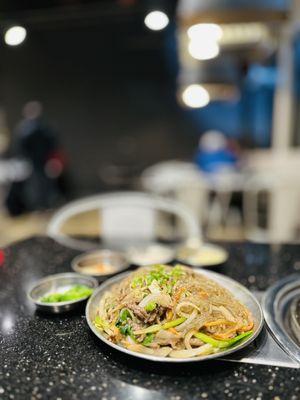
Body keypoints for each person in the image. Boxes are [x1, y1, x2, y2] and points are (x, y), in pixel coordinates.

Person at [6, 101, 66, 215]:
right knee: (30, 187)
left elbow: (53, 144)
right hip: (29, 163)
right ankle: (33, 207)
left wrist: (53, 160)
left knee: (45, 186)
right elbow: (19, 147)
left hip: (43, 163)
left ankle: (44, 206)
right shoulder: (24, 129)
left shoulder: (44, 128)